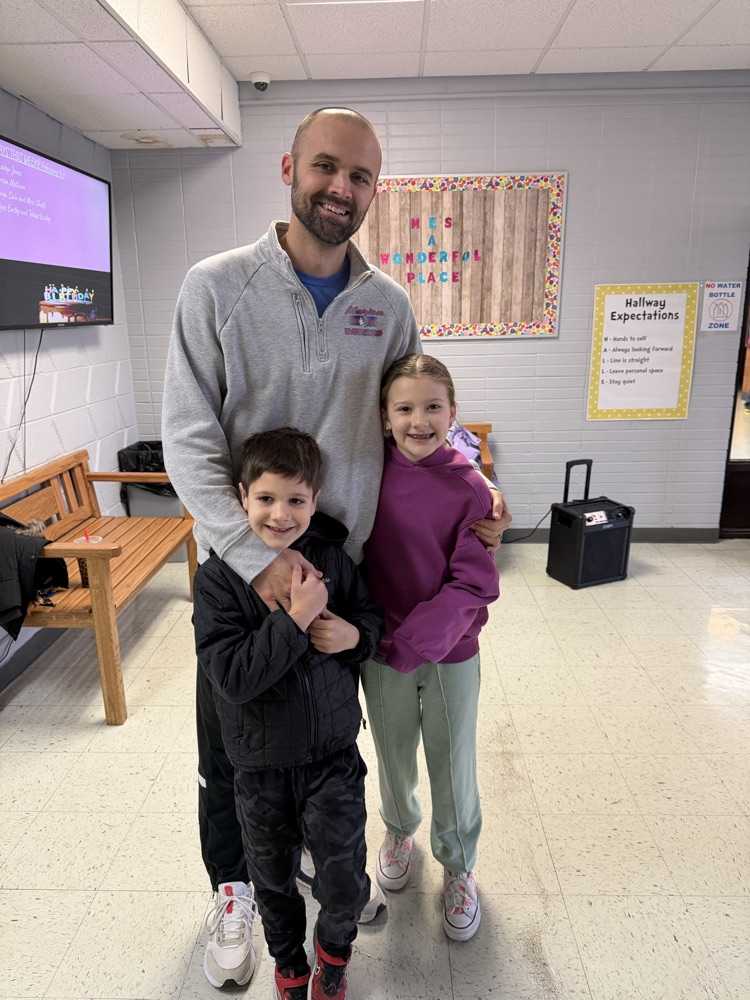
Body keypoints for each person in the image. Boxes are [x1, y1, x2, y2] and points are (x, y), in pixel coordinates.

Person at [162, 106, 512, 988]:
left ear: (372, 191)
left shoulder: (387, 305)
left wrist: (475, 472)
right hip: (243, 565)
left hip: (343, 569)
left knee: (326, 739)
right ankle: (236, 887)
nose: (340, 188)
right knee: (231, 746)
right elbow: (188, 437)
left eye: (359, 177)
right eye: (325, 167)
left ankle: (323, 860)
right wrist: (259, 556)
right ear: (288, 167)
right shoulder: (216, 286)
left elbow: (418, 411)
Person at [193, 427, 382, 1000]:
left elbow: (370, 622)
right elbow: (231, 677)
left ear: (315, 501)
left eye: (296, 500)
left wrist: (352, 635)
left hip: (333, 757)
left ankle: (333, 955)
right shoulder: (218, 579)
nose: (281, 514)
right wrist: (294, 620)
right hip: (260, 766)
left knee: (345, 877)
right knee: (273, 882)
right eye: (266, 499)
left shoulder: (330, 557)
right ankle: (290, 967)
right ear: (240, 496)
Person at [361, 354, 501, 943]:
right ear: (385, 416)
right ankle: (398, 829)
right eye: (405, 408)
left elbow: (474, 580)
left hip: (449, 650)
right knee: (392, 752)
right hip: (380, 647)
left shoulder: (471, 487)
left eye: (433, 407)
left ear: (452, 412)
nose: (419, 420)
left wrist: (414, 642)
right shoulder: (366, 475)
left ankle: (458, 864)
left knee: (451, 759)